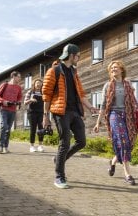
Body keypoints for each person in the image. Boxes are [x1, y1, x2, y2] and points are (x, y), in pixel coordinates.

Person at [42, 43, 98, 189]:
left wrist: (90, 107)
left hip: (75, 111)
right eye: (78, 56)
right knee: (64, 142)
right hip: (60, 112)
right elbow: (46, 95)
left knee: (81, 141)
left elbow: (81, 94)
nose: (79, 58)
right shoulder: (54, 71)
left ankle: (59, 159)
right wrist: (45, 116)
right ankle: (59, 177)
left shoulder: (74, 72)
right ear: (71, 55)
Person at [93, 60, 138, 185]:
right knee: (123, 141)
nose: (113, 69)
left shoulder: (128, 85)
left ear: (121, 70)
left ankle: (112, 163)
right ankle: (127, 174)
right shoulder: (107, 86)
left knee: (128, 143)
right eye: (111, 68)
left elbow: (134, 102)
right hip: (114, 115)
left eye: (115, 67)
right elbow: (102, 105)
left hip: (127, 116)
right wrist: (98, 122)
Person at [0, 71, 23, 154]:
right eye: (19, 76)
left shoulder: (19, 87)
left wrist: (18, 103)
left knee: (8, 129)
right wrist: (3, 101)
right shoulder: (5, 84)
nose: (20, 78)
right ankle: (0, 146)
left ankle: (6, 147)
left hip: (13, 110)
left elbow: (20, 97)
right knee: (4, 126)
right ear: (13, 76)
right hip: (4, 109)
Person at [24, 79, 45, 153]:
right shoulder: (30, 92)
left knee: (41, 129)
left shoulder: (43, 92)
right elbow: (25, 102)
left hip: (41, 113)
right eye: (37, 83)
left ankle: (40, 146)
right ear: (34, 84)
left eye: (40, 83)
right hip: (32, 113)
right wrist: (31, 100)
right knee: (33, 129)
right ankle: (32, 146)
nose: (38, 85)